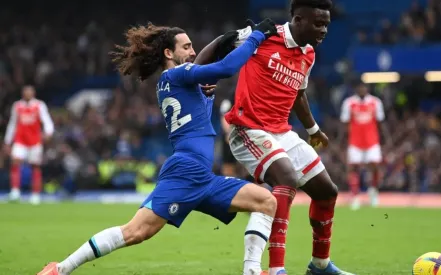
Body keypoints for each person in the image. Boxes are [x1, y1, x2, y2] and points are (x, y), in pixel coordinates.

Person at [37, 20, 279, 275]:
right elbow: (227, 68)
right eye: (186, 47)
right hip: (185, 173)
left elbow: (204, 80)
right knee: (135, 232)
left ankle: (252, 271)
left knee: (266, 201)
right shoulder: (177, 74)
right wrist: (257, 37)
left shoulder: (176, 81)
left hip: (203, 177)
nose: (192, 52)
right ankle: (61, 269)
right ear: (168, 53)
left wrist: (223, 43)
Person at [196, 0, 355, 274]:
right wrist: (194, 75)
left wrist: (313, 129)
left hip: (282, 132)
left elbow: (299, 93)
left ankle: (320, 265)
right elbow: (223, 41)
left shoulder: (308, 53)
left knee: (327, 191)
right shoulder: (265, 36)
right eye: (318, 23)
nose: (324, 30)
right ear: (298, 18)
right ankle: (276, 268)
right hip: (248, 128)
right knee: (287, 178)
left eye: (326, 24)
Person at [339, 79, 391, 210]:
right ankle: (355, 196)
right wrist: (341, 141)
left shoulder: (375, 102)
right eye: (360, 87)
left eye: (364, 87)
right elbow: (345, 124)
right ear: (356, 89)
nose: (362, 89)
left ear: (367, 88)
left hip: (372, 141)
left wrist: (387, 139)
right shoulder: (349, 103)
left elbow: (380, 123)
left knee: (375, 166)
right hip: (355, 142)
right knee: (353, 168)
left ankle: (373, 191)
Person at [3, 85, 54, 205]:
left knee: (35, 166)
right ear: (22, 93)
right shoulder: (17, 106)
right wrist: (7, 141)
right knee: (15, 163)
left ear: (33, 93)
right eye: (26, 91)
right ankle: (15, 193)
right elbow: (12, 123)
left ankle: (35, 195)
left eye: (29, 91)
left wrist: (48, 132)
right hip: (20, 140)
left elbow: (46, 120)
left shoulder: (39, 105)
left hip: (35, 141)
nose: (28, 93)